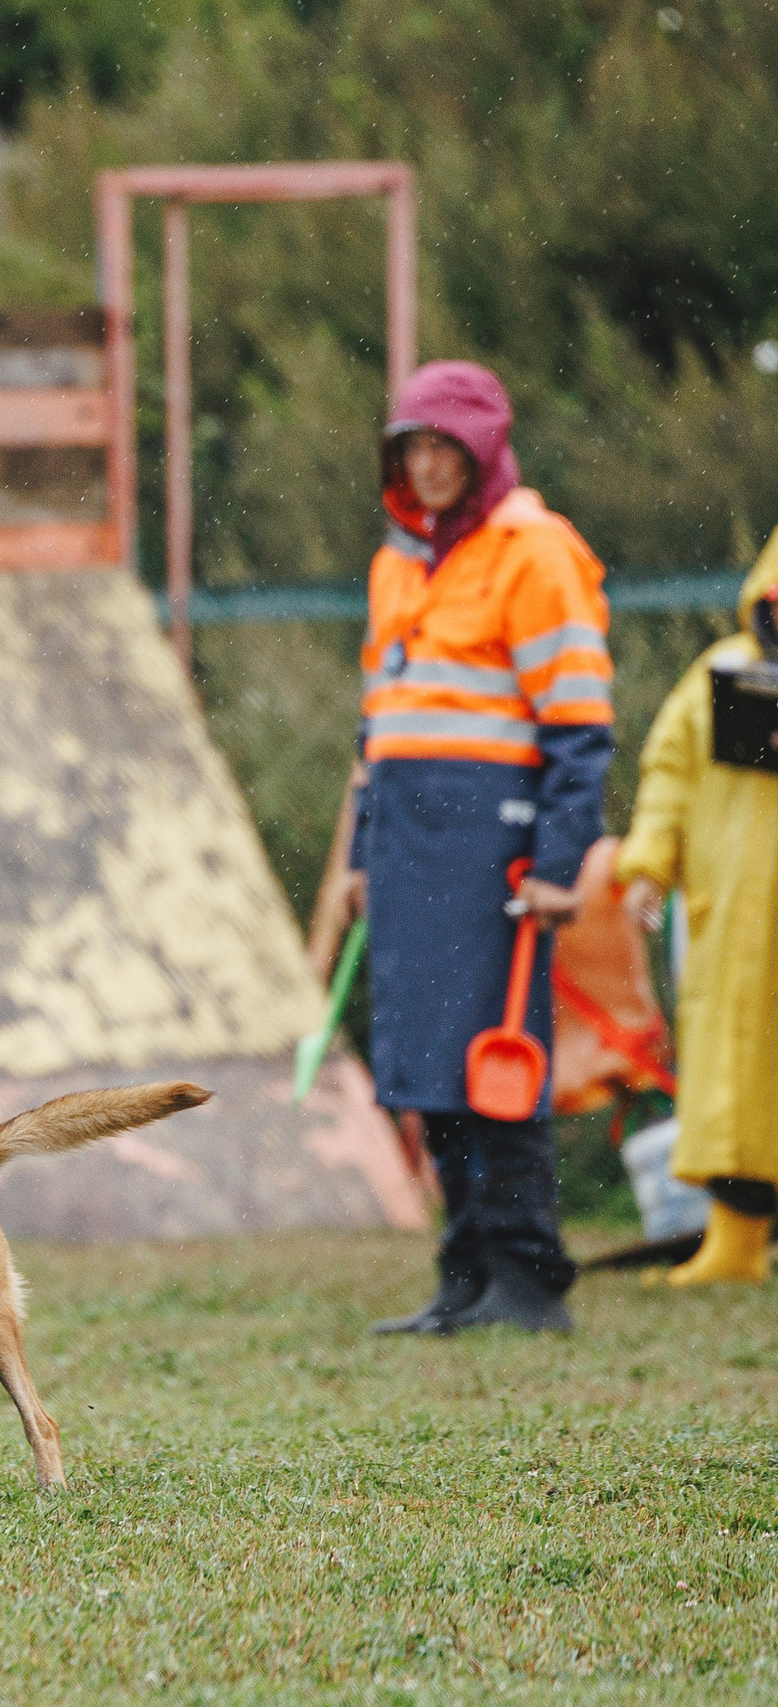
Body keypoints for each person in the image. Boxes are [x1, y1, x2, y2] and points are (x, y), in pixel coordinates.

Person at [349, 361, 614, 1336]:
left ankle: (528, 1281)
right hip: (408, 845)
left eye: (444, 447)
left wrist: (556, 864)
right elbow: (378, 727)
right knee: (428, 1069)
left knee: (497, 1065)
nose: (425, 466)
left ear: (483, 451)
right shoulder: (396, 561)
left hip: (492, 849)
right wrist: (361, 857)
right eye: (411, 448)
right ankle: (463, 1278)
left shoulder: (536, 551)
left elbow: (579, 728)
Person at [614, 533, 778, 1285]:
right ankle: (735, 1244)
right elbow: (669, 775)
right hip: (731, 933)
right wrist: (648, 867)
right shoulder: (723, 673)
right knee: (735, 1089)